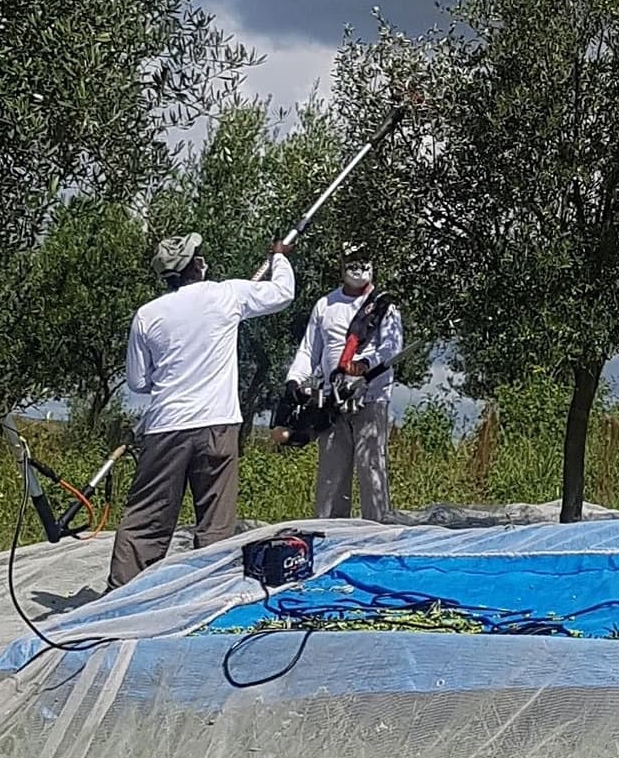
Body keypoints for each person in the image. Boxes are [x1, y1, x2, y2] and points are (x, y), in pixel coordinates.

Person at [109, 233, 295, 589]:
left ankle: (121, 596)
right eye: (200, 256)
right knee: (215, 522)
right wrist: (279, 257)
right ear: (195, 265)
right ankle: (212, 594)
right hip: (217, 426)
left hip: (165, 427)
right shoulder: (225, 295)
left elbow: (137, 381)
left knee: (147, 519)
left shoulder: (147, 315)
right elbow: (282, 294)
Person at [285, 242, 404, 521]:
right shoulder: (325, 305)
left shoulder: (385, 306)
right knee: (331, 478)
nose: (359, 265)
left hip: (369, 397)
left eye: (365, 259)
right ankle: (330, 535)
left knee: (371, 472)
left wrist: (364, 365)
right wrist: (295, 378)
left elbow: (392, 347)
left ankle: (378, 535)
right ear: (341, 262)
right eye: (353, 259)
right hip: (331, 401)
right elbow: (309, 349)